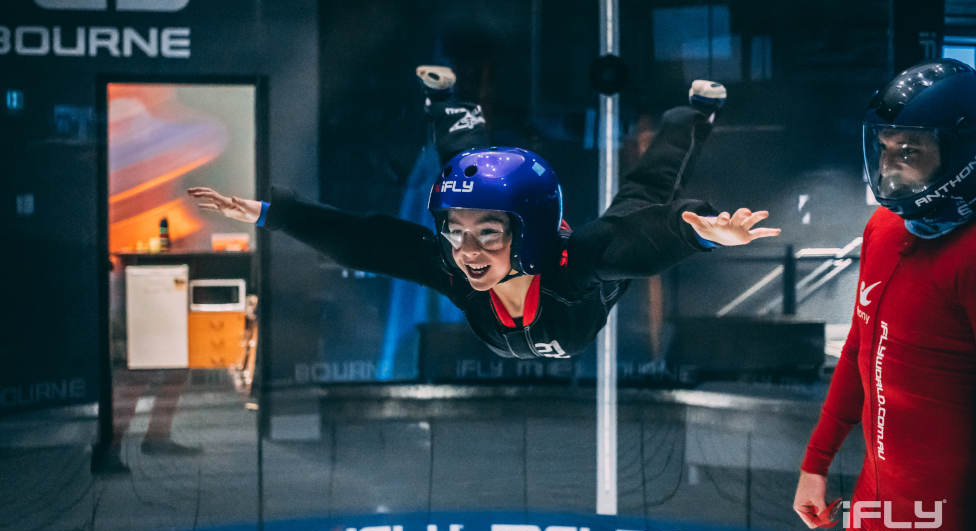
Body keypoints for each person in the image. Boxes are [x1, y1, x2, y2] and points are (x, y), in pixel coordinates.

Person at [189, 67, 779, 360]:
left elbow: (643, 242)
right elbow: (364, 242)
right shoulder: (454, 263)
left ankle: (695, 116)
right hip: (531, 289)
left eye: (487, 236)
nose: (466, 252)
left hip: (575, 291)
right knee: (464, 174)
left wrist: (697, 232)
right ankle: (447, 108)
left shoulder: (575, 266)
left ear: (528, 235)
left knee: (644, 192)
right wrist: (275, 212)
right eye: (456, 234)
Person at [792, 58, 976, 531]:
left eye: (910, 153)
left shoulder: (971, 255)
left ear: (961, 155)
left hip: (948, 527)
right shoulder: (883, 228)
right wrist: (816, 462)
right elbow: (859, 348)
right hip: (878, 505)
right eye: (885, 149)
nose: (891, 168)